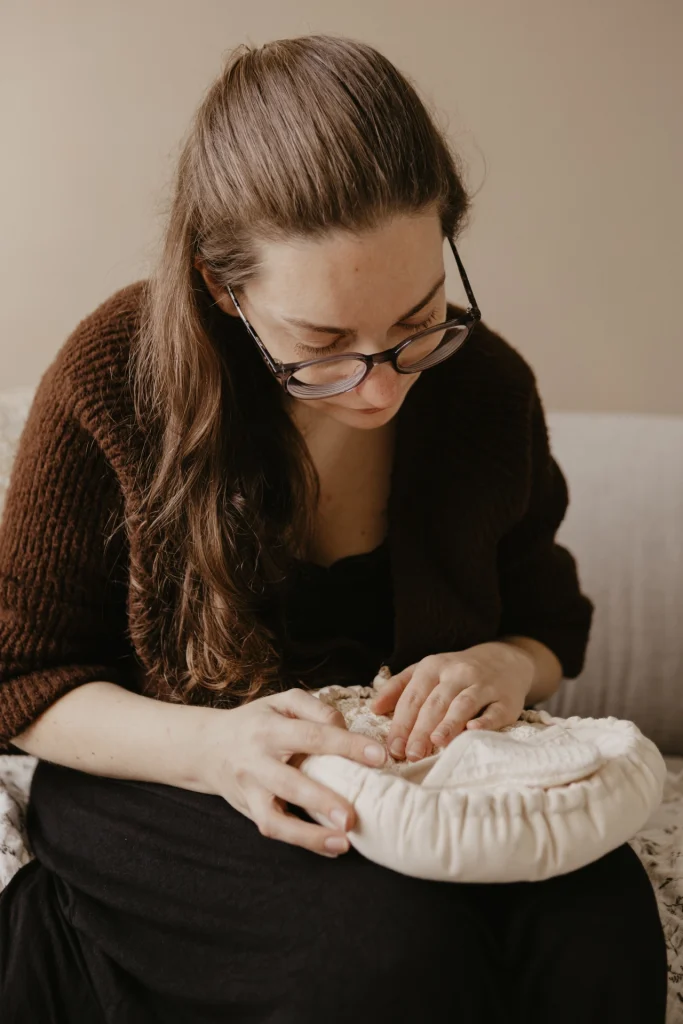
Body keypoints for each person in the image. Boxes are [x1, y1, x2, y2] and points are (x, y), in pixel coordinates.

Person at [0, 33, 668, 1024]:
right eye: (322, 347)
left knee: (603, 925)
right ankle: (60, 941)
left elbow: (545, 624)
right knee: (385, 957)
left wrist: (498, 664)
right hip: (167, 772)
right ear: (222, 289)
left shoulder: (483, 391)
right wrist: (216, 750)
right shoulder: (115, 379)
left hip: (401, 778)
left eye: (417, 315)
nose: (384, 383)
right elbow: (18, 672)